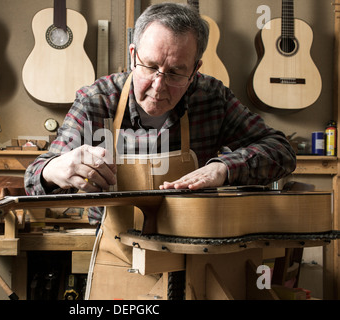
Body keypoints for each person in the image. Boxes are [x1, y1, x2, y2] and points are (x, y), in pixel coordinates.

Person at [24, 2, 296, 226]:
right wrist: (54, 169)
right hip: (116, 252)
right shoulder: (97, 101)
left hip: (193, 247)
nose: (158, 85)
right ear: (133, 56)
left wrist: (224, 168)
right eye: (150, 66)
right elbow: (33, 180)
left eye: (176, 72)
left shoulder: (212, 97)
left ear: (195, 69)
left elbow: (281, 151)